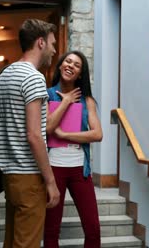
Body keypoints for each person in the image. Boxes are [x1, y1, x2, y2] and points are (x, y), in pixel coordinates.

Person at [0, 19, 60, 247]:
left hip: (10, 176)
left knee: (12, 242)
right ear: (40, 42)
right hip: (29, 176)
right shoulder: (34, 77)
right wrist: (50, 181)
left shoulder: (5, 74)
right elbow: (34, 135)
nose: (54, 50)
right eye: (52, 43)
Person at [43, 50, 103, 248]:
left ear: (80, 74)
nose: (71, 66)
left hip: (80, 169)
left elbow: (97, 134)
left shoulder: (87, 101)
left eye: (77, 65)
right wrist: (66, 101)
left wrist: (65, 135)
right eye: (67, 62)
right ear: (60, 66)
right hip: (53, 168)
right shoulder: (46, 94)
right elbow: (48, 128)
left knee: (93, 228)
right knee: (51, 230)